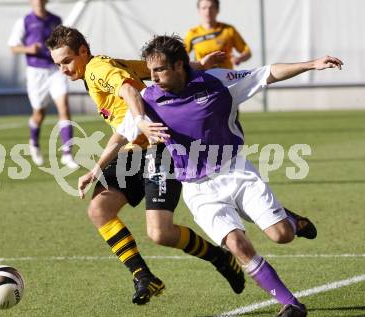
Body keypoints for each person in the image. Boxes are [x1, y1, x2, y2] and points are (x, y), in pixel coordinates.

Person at [83, 35, 342, 316]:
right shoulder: (149, 99)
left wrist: (312, 64)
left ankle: (291, 220)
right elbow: (120, 137)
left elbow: (267, 73)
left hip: (236, 172)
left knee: (281, 235)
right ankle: (291, 304)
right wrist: (96, 169)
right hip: (198, 189)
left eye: (159, 70)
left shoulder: (218, 81)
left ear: (179, 65)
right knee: (238, 245)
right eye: (151, 70)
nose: (152, 77)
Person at [46, 26, 245, 305]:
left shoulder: (96, 70)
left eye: (67, 61)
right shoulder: (106, 64)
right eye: (58, 64)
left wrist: (140, 121)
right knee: (99, 209)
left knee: (160, 233)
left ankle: (219, 257)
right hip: (131, 150)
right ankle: (143, 276)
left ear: (82, 51)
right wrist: (198, 66)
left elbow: (128, 89)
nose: (64, 69)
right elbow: (150, 70)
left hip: (157, 146)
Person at [8, 0, 78, 169]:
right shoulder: (24, 21)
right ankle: (34, 142)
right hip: (35, 72)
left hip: (55, 70)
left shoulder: (56, 20)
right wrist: (28, 49)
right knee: (39, 113)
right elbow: (13, 47)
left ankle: (67, 154)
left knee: (64, 108)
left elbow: (64, 42)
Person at [185, 0, 251, 69]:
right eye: (204, 8)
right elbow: (182, 57)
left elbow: (247, 52)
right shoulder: (192, 33)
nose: (208, 11)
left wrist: (239, 59)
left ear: (217, 10)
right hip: (204, 76)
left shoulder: (228, 29)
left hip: (226, 77)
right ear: (199, 11)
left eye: (211, 7)